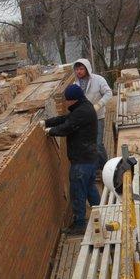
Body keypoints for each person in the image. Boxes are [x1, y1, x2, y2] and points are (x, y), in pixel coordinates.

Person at [40, 84, 100, 234]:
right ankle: (102, 212)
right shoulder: (84, 107)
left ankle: (79, 224)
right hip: (90, 158)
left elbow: (68, 127)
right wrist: (47, 122)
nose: (65, 103)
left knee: (78, 192)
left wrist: (50, 131)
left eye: (67, 100)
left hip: (82, 161)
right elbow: (66, 118)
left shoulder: (82, 112)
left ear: (73, 100)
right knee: (90, 188)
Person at [73, 58, 113, 169]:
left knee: (98, 144)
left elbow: (109, 93)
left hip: (98, 117)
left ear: (87, 69)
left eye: (81, 69)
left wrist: (99, 105)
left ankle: (106, 167)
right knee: (89, 145)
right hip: (85, 119)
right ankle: (96, 168)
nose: (79, 71)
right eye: (77, 69)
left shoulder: (98, 80)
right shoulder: (75, 84)